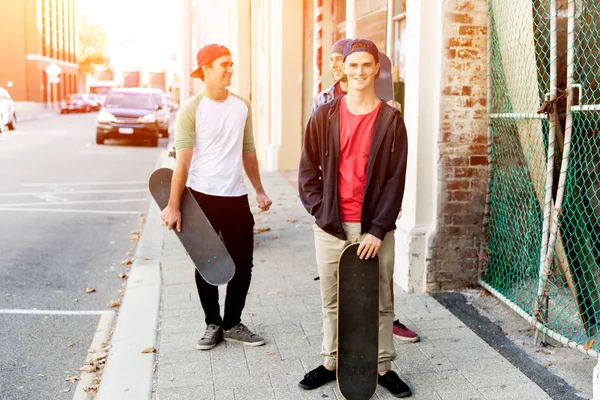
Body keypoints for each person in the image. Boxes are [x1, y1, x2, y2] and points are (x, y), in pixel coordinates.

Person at [298, 39, 412, 397]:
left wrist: (378, 230)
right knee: (332, 300)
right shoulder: (324, 115)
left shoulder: (391, 120)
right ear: (343, 69)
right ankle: (331, 361)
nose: (360, 72)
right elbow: (307, 174)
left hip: (374, 231)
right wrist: (322, 213)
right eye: (353, 65)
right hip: (331, 227)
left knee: (379, 302)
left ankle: (382, 367)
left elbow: (396, 180)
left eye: (366, 65)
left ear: (377, 68)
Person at [161, 43, 272, 350]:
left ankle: (232, 322)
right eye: (223, 64)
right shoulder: (191, 109)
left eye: (231, 63)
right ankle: (212, 323)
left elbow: (248, 151)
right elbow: (182, 161)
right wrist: (174, 205)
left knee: (243, 264)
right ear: (206, 70)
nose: (230, 69)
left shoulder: (241, 106)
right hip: (201, 198)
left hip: (236, 196)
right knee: (207, 263)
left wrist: (259, 189)